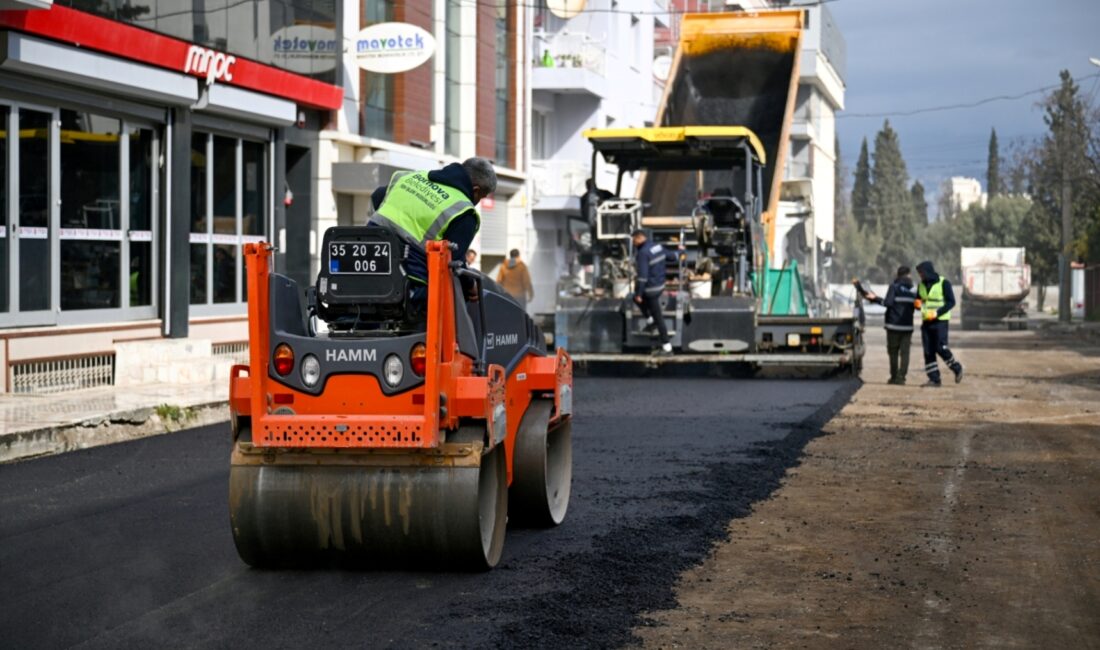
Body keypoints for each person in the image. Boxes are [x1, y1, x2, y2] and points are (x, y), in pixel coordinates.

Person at [369, 158, 496, 304]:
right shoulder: (463, 212)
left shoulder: (411, 177)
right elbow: (454, 261)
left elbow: (377, 196)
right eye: (481, 197)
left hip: (366, 263)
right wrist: (470, 286)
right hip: (410, 283)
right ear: (476, 190)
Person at [855, 266, 919, 385]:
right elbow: (917, 306)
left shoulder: (894, 287)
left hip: (893, 326)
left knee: (893, 352)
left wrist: (875, 299)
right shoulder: (914, 290)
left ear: (898, 275)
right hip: (907, 327)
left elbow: (888, 303)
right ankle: (901, 378)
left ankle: (894, 377)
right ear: (909, 275)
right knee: (905, 353)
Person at [916, 260, 964, 387]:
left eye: (921, 273)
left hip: (940, 321)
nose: (920, 276)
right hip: (926, 322)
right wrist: (917, 304)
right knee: (928, 351)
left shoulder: (944, 283)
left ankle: (956, 367)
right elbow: (919, 300)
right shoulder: (920, 285)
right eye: (919, 273)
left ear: (928, 272)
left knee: (940, 347)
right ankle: (934, 379)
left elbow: (951, 302)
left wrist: (937, 313)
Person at [632, 229, 672, 356]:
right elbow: (671, 256)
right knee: (634, 297)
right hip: (660, 285)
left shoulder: (643, 253)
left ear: (639, 238)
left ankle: (667, 347)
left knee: (658, 317)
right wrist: (681, 252)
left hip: (651, 289)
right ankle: (650, 321)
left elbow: (642, 277)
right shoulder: (657, 246)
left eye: (633, 240)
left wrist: (639, 293)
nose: (633, 243)